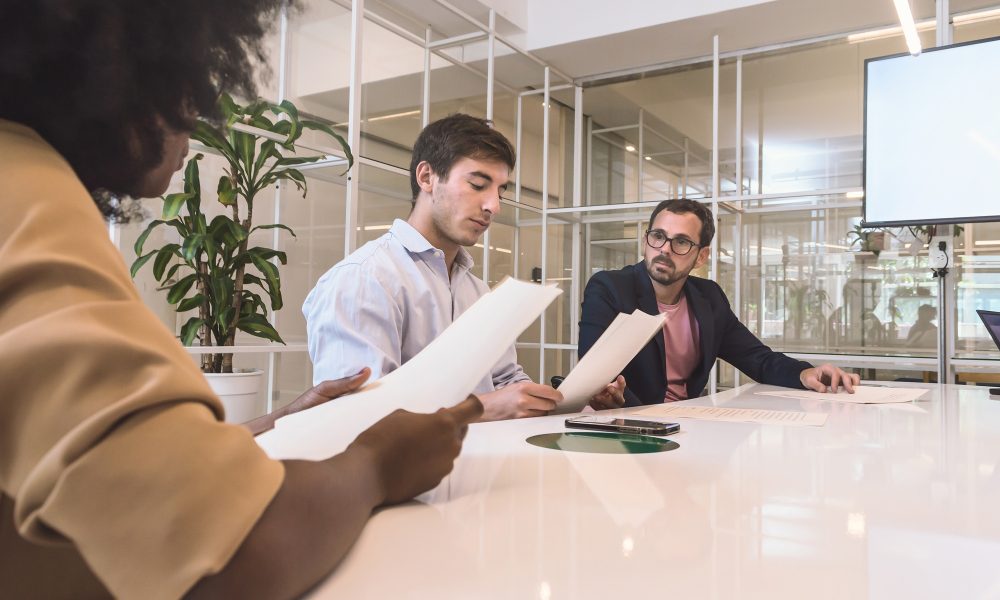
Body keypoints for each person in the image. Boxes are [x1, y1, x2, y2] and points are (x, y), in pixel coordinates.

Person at [0, 3, 482, 599]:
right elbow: (220, 554)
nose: (199, 111)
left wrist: (278, 419)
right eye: (191, 76)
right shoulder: (20, 190)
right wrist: (377, 464)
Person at [304, 114, 625, 420]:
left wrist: (575, 402)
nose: (493, 206)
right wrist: (484, 410)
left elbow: (506, 384)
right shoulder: (364, 279)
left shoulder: (477, 290)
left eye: (500, 190)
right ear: (427, 177)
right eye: (478, 184)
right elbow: (353, 418)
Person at [579, 199, 860, 406]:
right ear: (645, 241)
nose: (665, 249)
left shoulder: (708, 298)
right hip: (630, 425)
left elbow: (757, 359)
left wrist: (805, 372)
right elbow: (596, 375)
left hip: (689, 422)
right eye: (658, 236)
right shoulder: (610, 288)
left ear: (701, 256)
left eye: (681, 242)